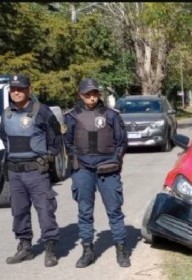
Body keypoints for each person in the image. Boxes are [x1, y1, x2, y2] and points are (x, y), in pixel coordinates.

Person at [63, 78, 130, 268]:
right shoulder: (72, 116)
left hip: (108, 169)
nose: (91, 98)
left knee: (114, 210)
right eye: (87, 94)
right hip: (83, 170)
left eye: (94, 93)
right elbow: (67, 142)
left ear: (99, 94)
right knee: (84, 211)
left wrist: (115, 161)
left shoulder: (111, 115)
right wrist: (76, 160)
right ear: (80, 95)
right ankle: (87, 250)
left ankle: (121, 248)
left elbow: (121, 141)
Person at [0, 74, 61, 267]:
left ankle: (50, 248)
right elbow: (4, 137)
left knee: (45, 210)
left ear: (29, 90)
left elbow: (55, 137)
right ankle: (25, 246)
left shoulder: (42, 111)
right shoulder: (6, 113)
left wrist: (49, 158)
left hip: (36, 171)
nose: (16, 92)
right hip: (15, 172)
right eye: (14, 89)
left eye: (21, 89)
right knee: (19, 211)